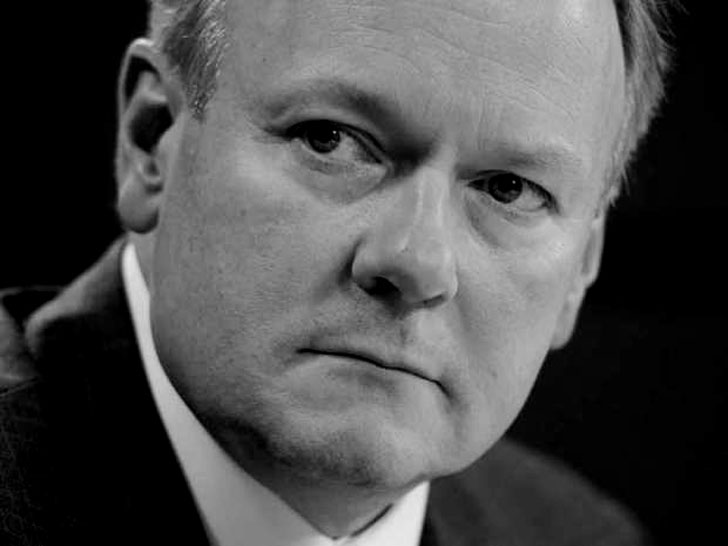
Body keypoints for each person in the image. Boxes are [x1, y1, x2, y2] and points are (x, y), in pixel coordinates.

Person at [1, 0, 673, 544]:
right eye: (332, 139)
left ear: (583, 268)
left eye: (509, 189)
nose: (416, 263)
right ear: (153, 140)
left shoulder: (577, 533)